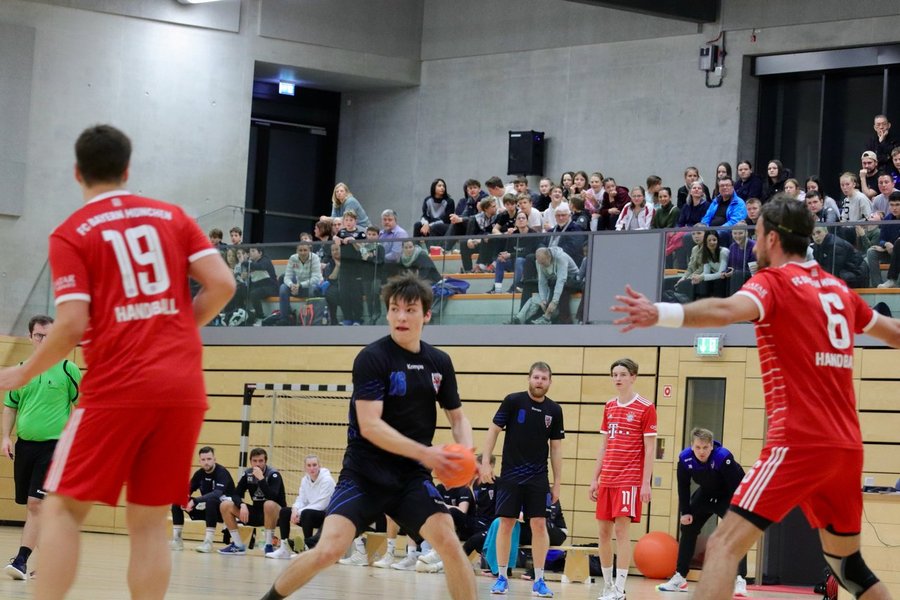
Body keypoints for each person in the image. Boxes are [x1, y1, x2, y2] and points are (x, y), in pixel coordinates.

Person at [612, 195, 900, 600]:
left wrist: (661, 313)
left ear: (773, 239)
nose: (755, 242)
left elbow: (725, 310)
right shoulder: (838, 291)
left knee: (722, 546)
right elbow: (894, 332)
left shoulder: (773, 282)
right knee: (849, 567)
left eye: (759, 234)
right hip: (846, 448)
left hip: (798, 442)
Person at [0, 124, 236, 599]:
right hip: (183, 388)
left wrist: (23, 371)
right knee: (148, 522)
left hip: (118, 386)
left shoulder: (71, 233)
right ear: (127, 170)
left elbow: (71, 323)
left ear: (77, 172)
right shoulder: (172, 216)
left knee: (61, 509)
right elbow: (223, 284)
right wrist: (177, 331)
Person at [257, 272, 477, 600]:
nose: (401, 317)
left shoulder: (439, 363)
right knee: (328, 549)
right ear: (387, 313)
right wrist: (426, 453)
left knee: (449, 542)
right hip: (364, 475)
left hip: (411, 478)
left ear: (427, 315)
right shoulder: (372, 358)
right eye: (395, 309)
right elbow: (370, 425)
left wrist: (467, 453)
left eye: (410, 310)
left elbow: (457, 417)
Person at [1, 315, 81, 580]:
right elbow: (10, 407)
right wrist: (5, 437)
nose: (45, 341)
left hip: (54, 448)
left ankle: (21, 560)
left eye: (50, 336)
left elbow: (82, 406)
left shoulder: (68, 369)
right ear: (30, 337)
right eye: (39, 336)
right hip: (25, 447)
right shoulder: (21, 371)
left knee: (36, 504)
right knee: (34, 507)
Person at [479, 362, 564, 598]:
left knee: (539, 525)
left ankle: (539, 580)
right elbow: (493, 430)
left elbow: (556, 448)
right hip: (511, 475)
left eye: (544, 378)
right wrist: (485, 462)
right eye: (536, 377)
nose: (539, 382)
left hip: (538, 477)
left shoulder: (554, 410)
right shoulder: (513, 401)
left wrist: (557, 482)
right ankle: (502, 577)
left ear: (549, 382)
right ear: (529, 378)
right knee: (506, 523)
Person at [590, 358, 657, 600]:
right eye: (614, 374)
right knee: (603, 533)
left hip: (629, 478)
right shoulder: (609, 406)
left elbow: (650, 448)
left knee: (621, 531)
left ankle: (619, 589)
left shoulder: (646, 407)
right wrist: (595, 478)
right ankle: (607, 586)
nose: (618, 378)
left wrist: (645, 482)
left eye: (622, 374)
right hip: (607, 478)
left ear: (633, 377)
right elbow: (604, 445)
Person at [657, 428, 747, 596]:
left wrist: (739, 513)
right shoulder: (685, 459)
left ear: (711, 446)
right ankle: (680, 578)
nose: (701, 451)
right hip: (706, 493)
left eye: (705, 447)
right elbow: (683, 486)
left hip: (729, 494)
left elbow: (736, 487)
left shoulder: (723, 457)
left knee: (737, 531)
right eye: (698, 447)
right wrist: (685, 512)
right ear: (692, 446)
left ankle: (739, 579)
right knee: (688, 527)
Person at [219, 447, 287, 555]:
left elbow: (272, 497)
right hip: (258, 513)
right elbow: (235, 494)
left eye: (260, 461)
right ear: (250, 462)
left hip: (276, 515)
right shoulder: (248, 474)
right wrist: (242, 505)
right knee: (225, 505)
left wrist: (261, 479)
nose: (257, 464)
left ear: (265, 461)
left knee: (268, 504)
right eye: (254, 461)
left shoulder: (273, 475)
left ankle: (268, 545)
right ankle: (238, 545)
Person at [267, 455, 336, 559]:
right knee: (285, 511)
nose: (312, 468)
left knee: (306, 513)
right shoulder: (305, 480)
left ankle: (308, 549)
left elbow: (322, 504)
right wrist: (295, 510)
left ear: (319, 466)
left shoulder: (327, 480)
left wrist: (298, 512)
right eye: (309, 465)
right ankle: (284, 549)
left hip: (327, 517)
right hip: (308, 514)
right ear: (305, 467)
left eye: (314, 465)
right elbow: (301, 499)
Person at [171, 446, 236, 553]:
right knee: (177, 502)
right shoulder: (199, 474)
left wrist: (195, 501)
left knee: (211, 501)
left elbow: (216, 494)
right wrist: (184, 499)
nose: (206, 462)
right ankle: (177, 539)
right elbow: (188, 489)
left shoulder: (222, 472)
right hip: (207, 509)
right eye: (203, 459)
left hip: (223, 512)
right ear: (200, 461)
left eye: (209, 459)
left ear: (214, 459)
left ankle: (208, 542)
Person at [278, 241, 322, 325]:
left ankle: (313, 319)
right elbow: (287, 277)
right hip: (297, 288)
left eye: (305, 250)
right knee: (283, 288)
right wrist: (292, 285)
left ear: (309, 250)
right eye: (300, 250)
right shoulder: (293, 258)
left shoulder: (315, 258)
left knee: (313, 289)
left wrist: (300, 285)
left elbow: (316, 278)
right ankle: (285, 319)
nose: (303, 253)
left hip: (312, 287)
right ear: (297, 251)